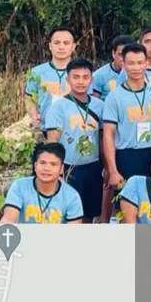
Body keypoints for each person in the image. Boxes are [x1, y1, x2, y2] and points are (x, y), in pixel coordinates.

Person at [44, 58, 104, 223]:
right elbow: (52, 143)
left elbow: (103, 139)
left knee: (89, 212)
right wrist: (56, 170)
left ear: (91, 79)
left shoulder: (100, 105)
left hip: (93, 166)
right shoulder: (58, 107)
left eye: (85, 77)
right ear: (67, 79)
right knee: (68, 212)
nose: (81, 81)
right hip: (70, 169)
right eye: (76, 77)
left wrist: (105, 166)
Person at [102, 43, 151, 188]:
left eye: (140, 63)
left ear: (146, 63)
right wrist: (113, 170)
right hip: (127, 156)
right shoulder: (114, 97)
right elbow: (108, 134)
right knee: (128, 205)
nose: (136, 67)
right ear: (124, 65)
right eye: (131, 63)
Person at [1, 142, 84, 224]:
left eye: (53, 164)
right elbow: (9, 218)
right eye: (43, 163)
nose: (47, 168)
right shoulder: (19, 186)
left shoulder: (72, 197)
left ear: (61, 169)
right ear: (35, 166)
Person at [24, 26, 77, 134]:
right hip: (45, 129)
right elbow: (29, 98)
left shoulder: (81, 73)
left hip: (74, 130)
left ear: (73, 47)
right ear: (50, 46)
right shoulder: (36, 72)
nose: (61, 47)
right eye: (57, 43)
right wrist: (34, 115)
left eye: (66, 43)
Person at [92, 35, 134, 99]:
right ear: (113, 54)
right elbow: (94, 104)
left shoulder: (140, 73)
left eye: (128, 54)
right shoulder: (99, 75)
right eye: (120, 54)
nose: (124, 58)